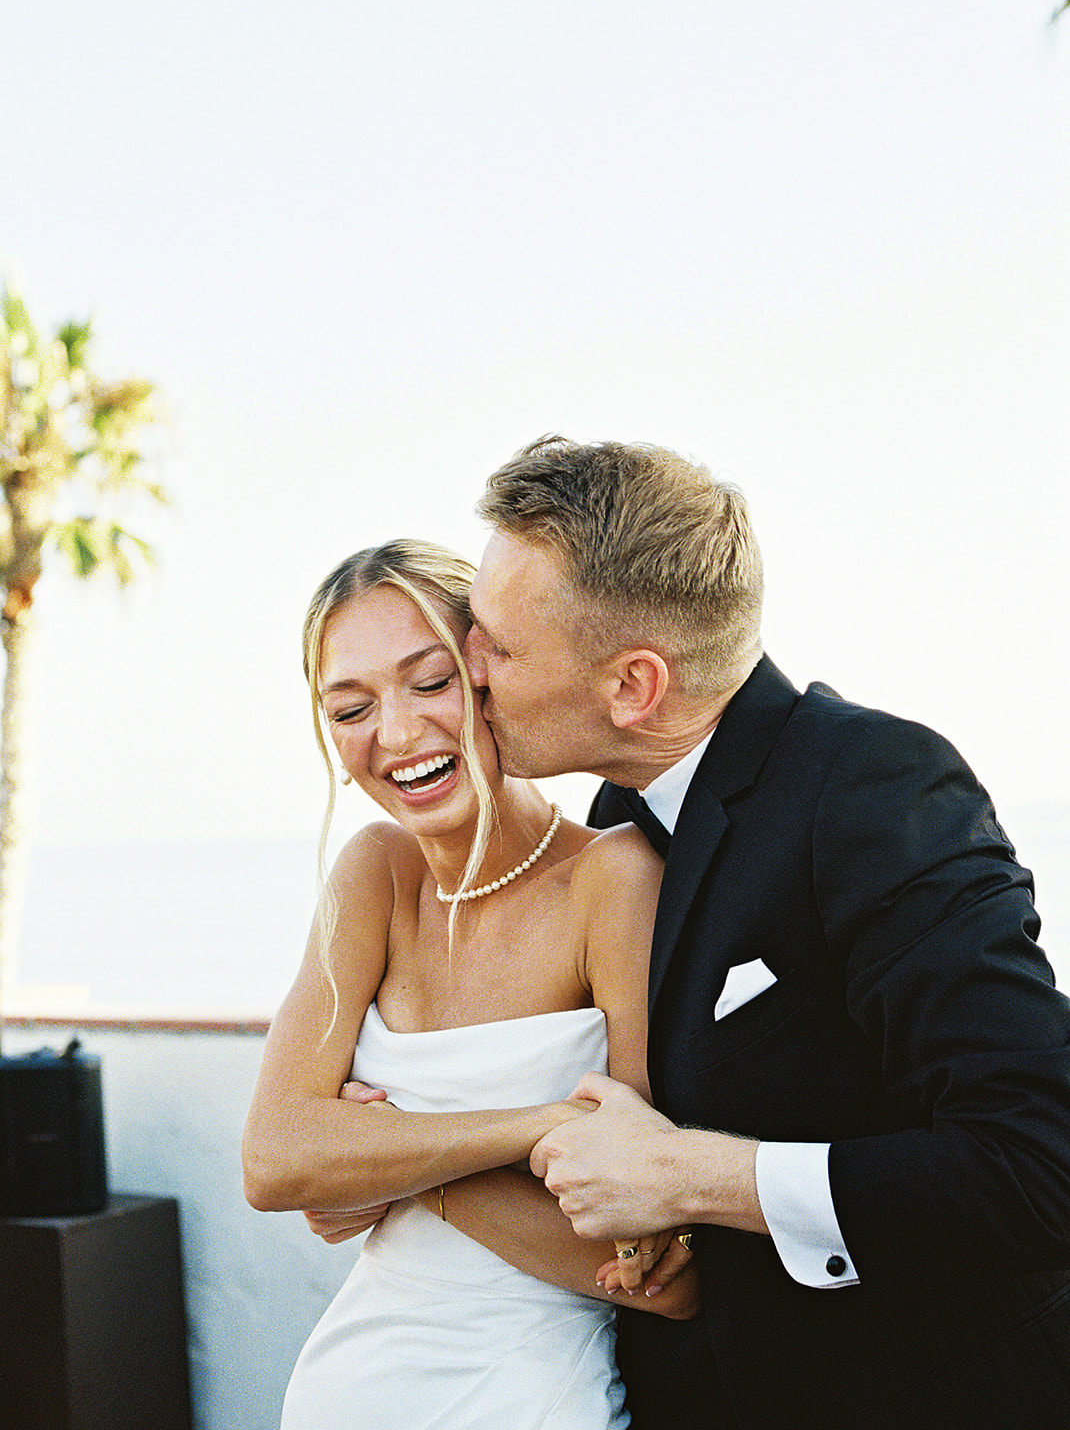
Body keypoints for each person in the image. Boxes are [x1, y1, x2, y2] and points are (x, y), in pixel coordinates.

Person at [461, 434, 1070, 1430]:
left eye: (497, 643)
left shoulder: (871, 786)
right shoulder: (615, 824)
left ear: (633, 685)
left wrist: (687, 1174)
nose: (466, 667)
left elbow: (1039, 1163)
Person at [241, 539, 698, 1430]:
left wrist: (393, 1164)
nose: (399, 734)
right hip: (345, 1389)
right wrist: (535, 1131)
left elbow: (651, 1270)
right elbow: (271, 1158)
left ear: (489, 676)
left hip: (527, 1399)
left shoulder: (612, 878)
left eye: (431, 680)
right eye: (351, 706)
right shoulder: (374, 872)